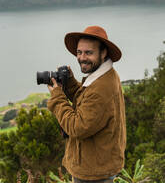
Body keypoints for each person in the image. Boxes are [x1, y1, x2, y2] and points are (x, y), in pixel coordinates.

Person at [47, 25, 126, 183]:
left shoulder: (101, 88)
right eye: (79, 52)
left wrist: (57, 97)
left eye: (88, 53)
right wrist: (69, 83)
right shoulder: (105, 76)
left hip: (94, 173)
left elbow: (77, 127)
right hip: (98, 163)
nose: (82, 58)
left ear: (103, 53)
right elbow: (87, 104)